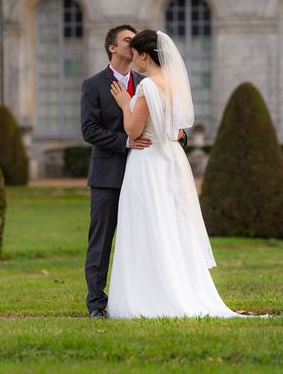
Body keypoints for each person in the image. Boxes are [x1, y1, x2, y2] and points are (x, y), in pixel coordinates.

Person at [106, 29, 243, 318]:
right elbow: (177, 128)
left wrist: (123, 104)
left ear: (144, 55)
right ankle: (180, 284)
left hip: (148, 160)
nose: (135, 62)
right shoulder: (174, 83)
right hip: (172, 157)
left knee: (147, 223)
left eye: (136, 56)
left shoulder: (147, 87)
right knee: (171, 223)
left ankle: (151, 293)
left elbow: (133, 129)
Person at [80, 25, 187, 318]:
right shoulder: (93, 85)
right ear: (113, 48)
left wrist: (179, 135)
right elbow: (89, 130)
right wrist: (126, 141)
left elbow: (171, 123)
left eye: (135, 41)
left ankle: (145, 297)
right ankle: (96, 304)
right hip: (109, 176)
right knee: (101, 242)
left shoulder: (148, 81)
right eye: (127, 40)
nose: (133, 43)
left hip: (147, 175)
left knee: (146, 238)